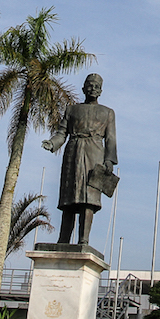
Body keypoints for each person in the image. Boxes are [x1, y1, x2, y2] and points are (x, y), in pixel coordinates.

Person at [42, 73, 117, 246]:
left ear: (101, 91)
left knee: (89, 199)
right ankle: (63, 239)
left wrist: (109, 161)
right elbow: (62, 132)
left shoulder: (108, 112)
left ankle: (84, 240)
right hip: (73, 153)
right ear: (83, 88)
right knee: (69, 199)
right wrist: (52, 143)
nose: (93, 89)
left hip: (95, 154)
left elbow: (111, 139)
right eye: (89, 85)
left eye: (96, 86)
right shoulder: (72, 109)